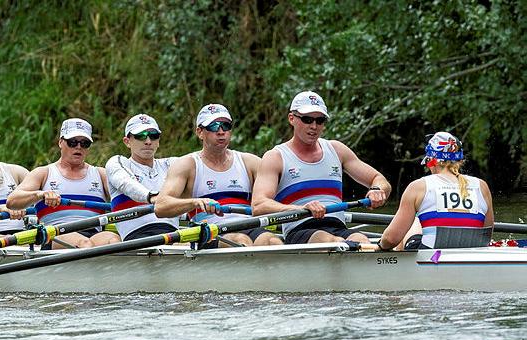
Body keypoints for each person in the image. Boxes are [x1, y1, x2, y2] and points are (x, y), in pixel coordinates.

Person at [252, 91, 391, 244]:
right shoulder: (275, 157)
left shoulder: (337, 150)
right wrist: (299, 209)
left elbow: (379, 179)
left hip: (337, 227)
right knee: (328, 241)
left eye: (320, 120)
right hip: (300, 229)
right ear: (291, 118)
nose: (314, 126)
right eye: (307, 119)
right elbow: (258, 205)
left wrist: (377, 190)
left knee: (361, 239)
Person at [155, 104, 282, 247]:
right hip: (210, 232)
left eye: (226, 126)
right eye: (214, 126)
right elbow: (161, 206)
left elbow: (279, 197)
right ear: (200, 132)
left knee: (272, 241)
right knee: (239, 240)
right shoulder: (187, 165)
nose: (221, 132)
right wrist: (194, 202)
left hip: (248, 225)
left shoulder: (250, 162)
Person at [6, 118, 120, 249]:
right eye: (72, 142)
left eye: (85, 143)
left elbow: (125, 202)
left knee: (114, 240)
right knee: (85, 244)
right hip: (56, 234)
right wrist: (40, 195)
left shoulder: (101, 174)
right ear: (60, 142)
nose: (78, 147)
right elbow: (12, 201)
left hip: (94, 233)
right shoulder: (43, 173)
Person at [377, 132, 494, 250]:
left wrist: (381, 246)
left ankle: (397, 260)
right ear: (460, 161)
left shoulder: (418, 187)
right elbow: (486, 236)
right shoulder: (481, 186)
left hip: (431, 256)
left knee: (414, 221)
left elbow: (391, 239)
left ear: (432, 161)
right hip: (472, 254)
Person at [105, 113, 179, 240]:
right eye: (141, 136)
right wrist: (152, 197)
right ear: (127, 142)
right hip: (137, 239)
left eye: (153, 136)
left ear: (158, 141)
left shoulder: (171, 164)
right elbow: (126, 183)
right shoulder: (118, 162)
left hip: (173, 237)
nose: (148, 141)